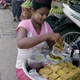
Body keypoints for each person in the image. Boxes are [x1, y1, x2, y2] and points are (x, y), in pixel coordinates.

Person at [16, 0, 63, 80]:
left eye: (47, 14)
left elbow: (51, 47)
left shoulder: (46, 26)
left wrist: (57, 44)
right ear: (32, 11)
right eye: (42, 14)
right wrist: (47, 36)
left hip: (42, 67)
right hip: (25, 68)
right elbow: (21, 43)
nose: (45, 17)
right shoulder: (25, 24)